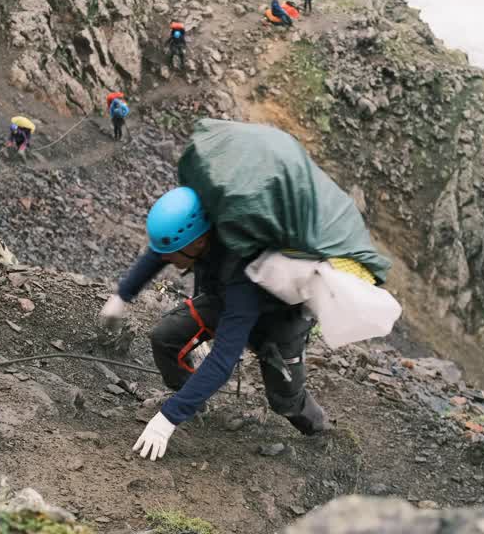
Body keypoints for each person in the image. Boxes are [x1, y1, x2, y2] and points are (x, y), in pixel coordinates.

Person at [98, 186, 331, 461]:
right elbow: (162, 251)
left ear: (197, 242)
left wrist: (167, 420)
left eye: (174, 252)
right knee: (166, 337)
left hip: (279, 321)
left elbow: (223, 360)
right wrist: (123, 295)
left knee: (285, 401)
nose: (168, 260)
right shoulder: (202, 230)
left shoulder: (239, 272)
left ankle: (322, 436)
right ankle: (194, 406)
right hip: (224, 301)